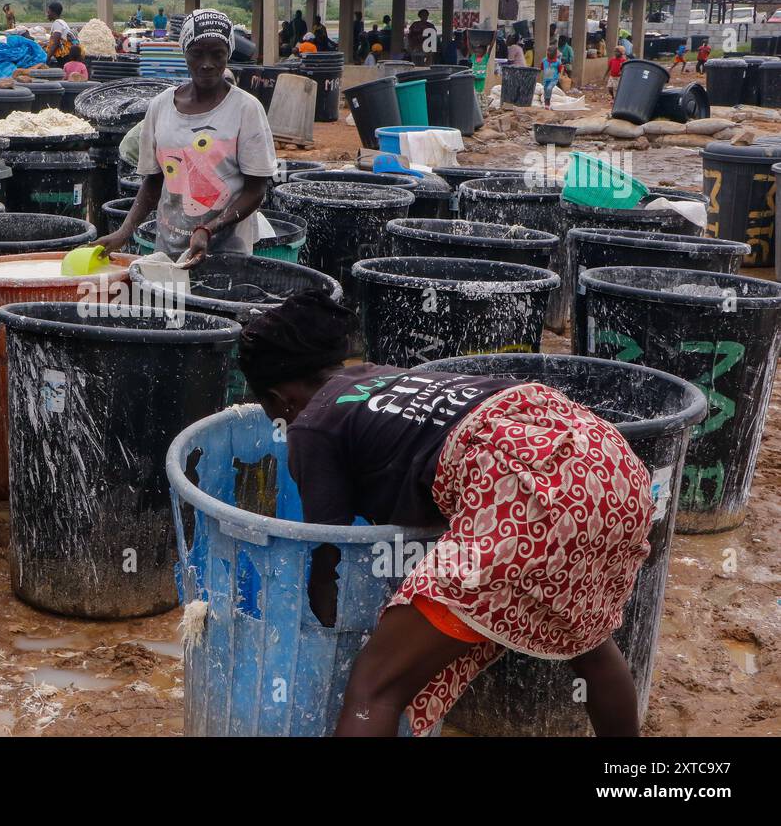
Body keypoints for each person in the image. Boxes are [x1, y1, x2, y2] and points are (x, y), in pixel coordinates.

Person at [236, 291, 657, 738]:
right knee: (587, 642)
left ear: (280, 399)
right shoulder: (381, 376)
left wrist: (324, 626)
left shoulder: (311, 425)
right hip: (603, 461)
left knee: (374, 687)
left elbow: (327, 553)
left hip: (526, 499)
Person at [94, 9, 275, 267]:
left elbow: (256, 189)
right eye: (197, 53)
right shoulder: (161, 106)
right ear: (184, 52)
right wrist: (124, 232)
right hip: (168, 249)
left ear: (229, 54)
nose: (207, 63)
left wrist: (210, 228)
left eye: (217, 54)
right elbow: (154, 182)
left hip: (227, 252)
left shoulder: (246, 108)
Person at [44, 1, 82, 66]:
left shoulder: (57, 23)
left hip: (65, 57)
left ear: (53, 12)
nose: (47, 14)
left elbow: (55, 43)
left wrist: (46, 59)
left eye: (48, 12)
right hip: (67, 56)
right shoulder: (62, 22)